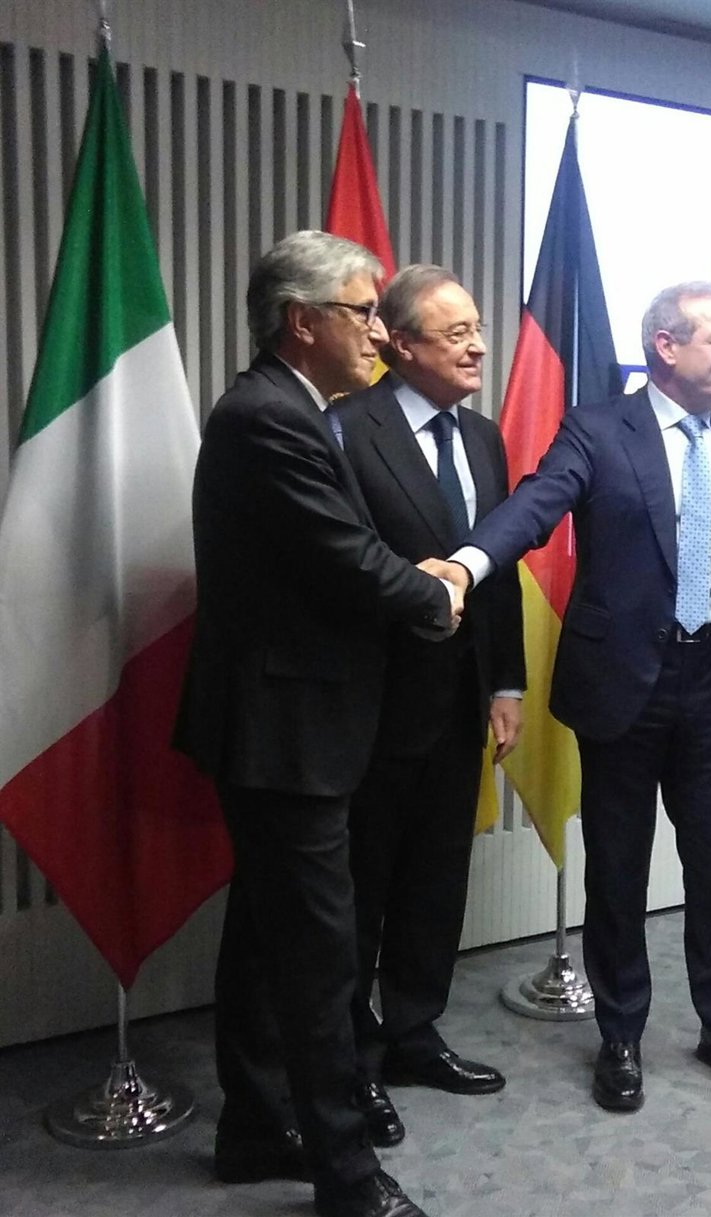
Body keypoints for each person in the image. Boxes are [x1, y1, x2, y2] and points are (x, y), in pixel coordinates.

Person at [449, 282, 711, 1113]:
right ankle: (621, 1033)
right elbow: (536, 505)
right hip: (622, 685)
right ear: (666, 346)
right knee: (618, 871)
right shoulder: (599, 430)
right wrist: (466, 563)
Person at [174, 230, 455, 1217]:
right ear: (303, 321)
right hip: (283, 730)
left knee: (266, 936)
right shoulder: (267, 416)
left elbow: (335, 551)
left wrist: (414, 576)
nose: (379, 330)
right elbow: (346, 556)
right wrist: (434, 593)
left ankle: (255, 1128)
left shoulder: (302, 409)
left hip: (295, 722)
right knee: (320, 955)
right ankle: (347, 1174)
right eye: (363, 311)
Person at [336, 265, 523, 1116]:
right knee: (360, 888)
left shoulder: (483, 437)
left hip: (461, 701)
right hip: (372, 705)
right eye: (456, 334)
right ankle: (351, 1058)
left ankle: (414, 1031)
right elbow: (344, 569)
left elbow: (497, 569)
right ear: (401, 344)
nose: (478, 346)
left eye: (477, 328)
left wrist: (506, 682)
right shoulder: (346, 428)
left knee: (437, 878)